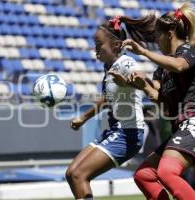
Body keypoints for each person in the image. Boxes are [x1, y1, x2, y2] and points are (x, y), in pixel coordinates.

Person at [119, 3, 195, 200]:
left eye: (158, 35)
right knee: (144, 176)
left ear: (170, 33)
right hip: (182, 125)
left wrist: (145, 52)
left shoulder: (188, 51)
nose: (156, 41)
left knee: (167, 172)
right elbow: (162, 103)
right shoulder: (164, 69)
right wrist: (141, 85)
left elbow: (180, 66)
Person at [65, 15, 156, 200]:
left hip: (129, 133)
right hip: (116, 130)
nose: (95, 48)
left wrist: (131, 82)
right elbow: (108, 99)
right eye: (94, 43)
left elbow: (144, 82)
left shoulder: (126, 63)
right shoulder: (110, 66)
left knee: (78, 175)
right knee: (71, 173)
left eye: (99, 43)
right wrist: (84, 118)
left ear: (116, 46)